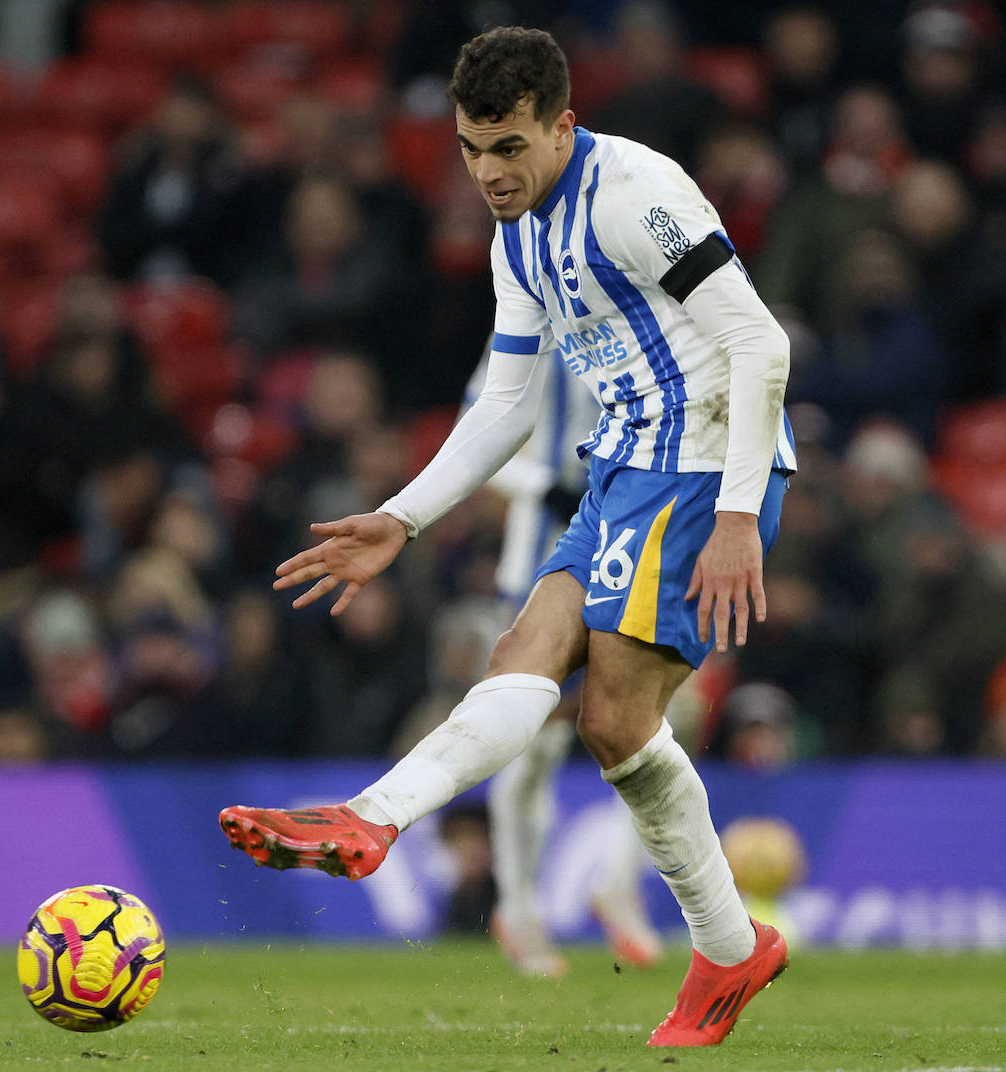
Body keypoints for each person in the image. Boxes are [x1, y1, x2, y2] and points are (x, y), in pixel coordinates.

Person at [219, 27, 795, 1048]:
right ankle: (372, 817)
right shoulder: (515, 232)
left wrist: (742, 514)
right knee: (523, 659)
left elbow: (761, 341)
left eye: (509, 148)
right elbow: (509, 406)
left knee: (613, 720)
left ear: (561, 126)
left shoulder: (633, 196)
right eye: (471, 149)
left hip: (705, 459)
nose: (489, 172)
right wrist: (401, 516)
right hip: (624, 465)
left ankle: (725, 943)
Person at [465, 343, 663, 977]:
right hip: (540, 555)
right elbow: (479, 425)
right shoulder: (533, 329)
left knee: (652, 723)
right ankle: (519, 907)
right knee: (536, 735)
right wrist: (541, 483)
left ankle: (617, 885)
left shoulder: (646, 325)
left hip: (634, 544)